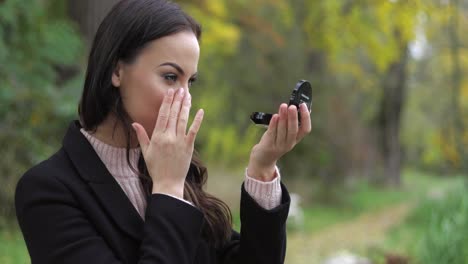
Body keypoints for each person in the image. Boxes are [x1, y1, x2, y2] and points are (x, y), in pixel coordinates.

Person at [14, 0, 312, 263]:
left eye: (190, 81)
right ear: (116, 71)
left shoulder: (176, 168)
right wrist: (168, 190)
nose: (185, 97)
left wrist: (262, 168)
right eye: (170, 77)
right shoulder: (48, 190)